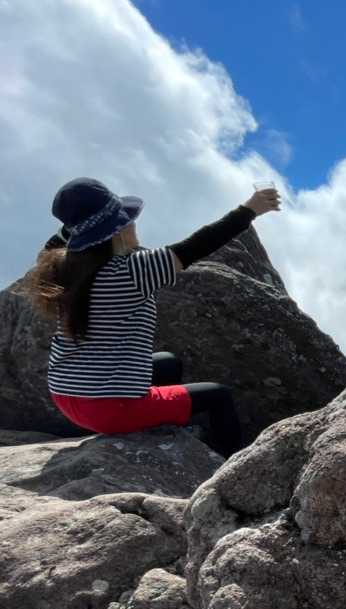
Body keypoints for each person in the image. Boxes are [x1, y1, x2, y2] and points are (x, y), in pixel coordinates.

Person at [25, 177, 281, 458]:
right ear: (116, 230)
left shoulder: (62, 266)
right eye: (126, 219)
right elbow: (198, 245)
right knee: (219, 396)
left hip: (66, 395)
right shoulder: (131, 271)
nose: (133, 224)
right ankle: (229, 473)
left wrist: (80, 223)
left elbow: (52, 244)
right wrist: (250, 210)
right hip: (109, 409)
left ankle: (158, 427)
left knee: (168, 363)